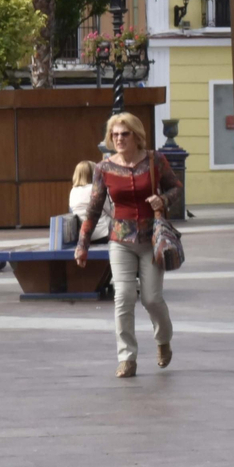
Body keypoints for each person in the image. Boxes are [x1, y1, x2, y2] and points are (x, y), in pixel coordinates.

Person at [75, 113, 183, 377]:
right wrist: (83, 244)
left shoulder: (155, 160)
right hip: (120, 240)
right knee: (123, 297)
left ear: (136, 135)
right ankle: (127, 358)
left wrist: (163, 200)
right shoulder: (104, 168)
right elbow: (94, 207)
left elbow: (176, 187)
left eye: (125, 134)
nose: (119, 139)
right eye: (115, 135)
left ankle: (163, 340)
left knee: (151, 298)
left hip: (151, 240)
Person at [68, 160, 109, 243]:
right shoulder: (96, 189)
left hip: (84, 236)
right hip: (103, 234)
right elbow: (111, 211)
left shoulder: (73, 191)